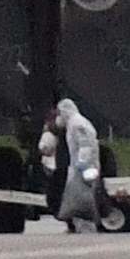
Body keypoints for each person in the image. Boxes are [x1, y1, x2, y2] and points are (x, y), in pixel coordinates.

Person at [55, 98, 100, 232]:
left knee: (81, 200)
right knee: (76, 198)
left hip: (84, 168)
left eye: (59, 113)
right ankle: (78, 226)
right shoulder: (73, 124)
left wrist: (83, 163)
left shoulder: (77, 124)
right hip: (79, 167)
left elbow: (85, 144)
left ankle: (87, 229)